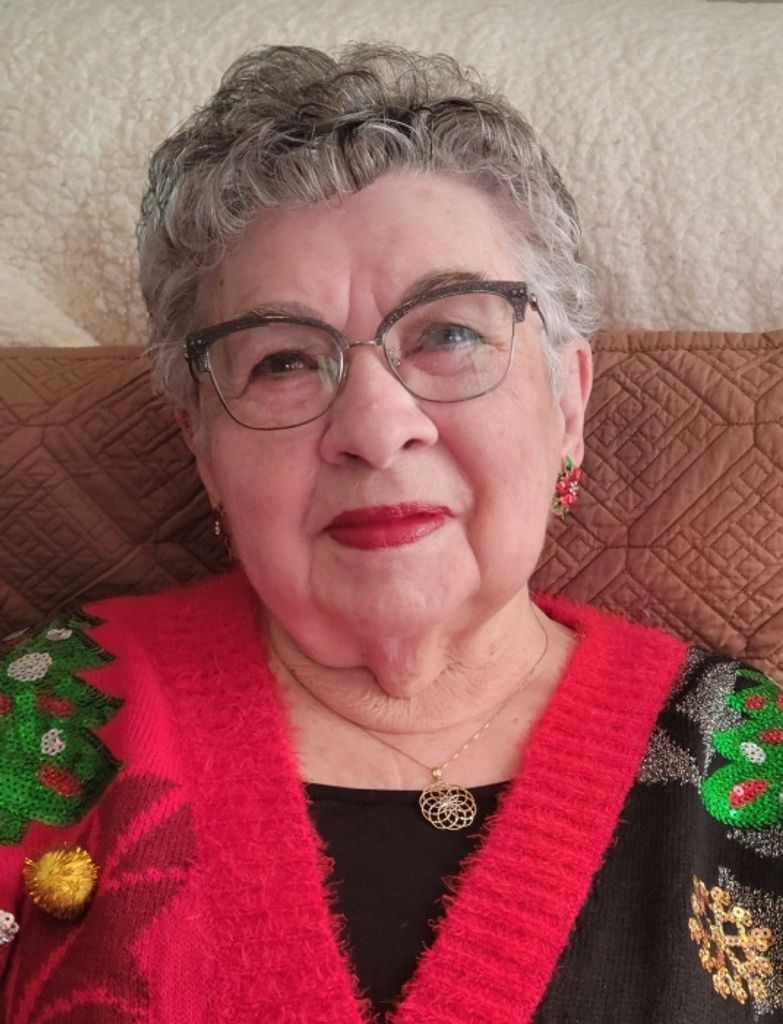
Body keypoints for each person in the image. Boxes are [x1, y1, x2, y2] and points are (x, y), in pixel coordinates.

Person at [1, 43, 781, 1024]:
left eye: (450, 334)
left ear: (567, 404)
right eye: (284, 361)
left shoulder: (745, 750)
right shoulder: (49, 711)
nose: (374, 427)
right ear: (201, 444)